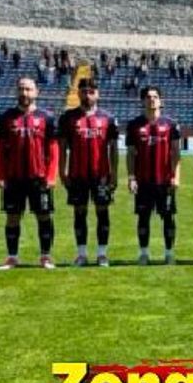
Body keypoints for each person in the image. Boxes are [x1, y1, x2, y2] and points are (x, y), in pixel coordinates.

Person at [0, 77, 59, 270]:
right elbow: (1, 149)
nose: (24, 93)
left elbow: (53, 148)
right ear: (16, 91)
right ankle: (12, 257)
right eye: (21, 89)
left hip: (39, 178)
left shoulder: (47, 117)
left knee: (44, 216)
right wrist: (0, 175)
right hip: (14, 177)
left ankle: (46, 256)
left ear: (36, 92)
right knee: (12, 217)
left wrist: (51, 175)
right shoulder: (6, 117)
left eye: (28, 89)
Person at [58, 78, 119, 266]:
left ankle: (102, 254)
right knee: (79, 212)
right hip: (77, 175)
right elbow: (62, 147)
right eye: (84, 91)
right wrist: (62, 171)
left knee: (102, 211)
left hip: (101, 176)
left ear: (97, 94)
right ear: (78, 93)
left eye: (91, 92)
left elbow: (113, 148)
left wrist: (114, 173)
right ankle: (82, 254)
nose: (87, 95)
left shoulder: (108, 118)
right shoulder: (67, 117)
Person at [125, 86, 181, 265]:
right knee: (143, 217)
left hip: (165, 181)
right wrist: (131, 177)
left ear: (160, 100)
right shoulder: (134, 125)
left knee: (168, 217)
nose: (152, 99)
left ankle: (169, 253)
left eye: (155, 96)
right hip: (143, 181)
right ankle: (144, 253)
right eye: (148, 97)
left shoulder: (171, 124)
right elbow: (130, 154)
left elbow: (176, 153)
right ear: (142, 101)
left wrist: (176, 176)